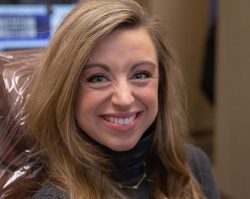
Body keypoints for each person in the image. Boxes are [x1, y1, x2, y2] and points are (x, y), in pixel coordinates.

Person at [25, 0, 220, 198]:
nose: (124, 99)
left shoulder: (192, 165)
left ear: (161, 84)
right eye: (98, 78)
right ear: (65, 92)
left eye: (141, 75)